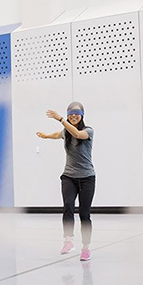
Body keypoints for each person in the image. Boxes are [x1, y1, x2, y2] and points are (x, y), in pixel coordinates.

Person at [36, 102, 95, 261]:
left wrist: (61, 119)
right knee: (68, 205)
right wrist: (46, 135)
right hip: (69, 176)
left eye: (76, 113)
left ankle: (85, 248)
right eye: (70, 113)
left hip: (87, 178)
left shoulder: (88, 131)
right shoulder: (65, 132)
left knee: (84, 214)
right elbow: (58, 134)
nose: (73, 116)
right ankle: (68, 240)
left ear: (82, 115)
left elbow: (77, 134)